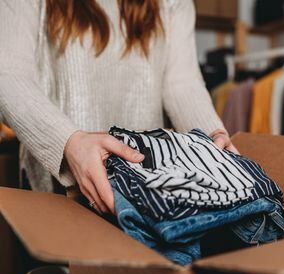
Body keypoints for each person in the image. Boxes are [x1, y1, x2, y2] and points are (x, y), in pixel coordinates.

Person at [0, 0, 237, 215]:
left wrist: (211, 136)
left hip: (145, 185)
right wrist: (69, 142)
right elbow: (8, 74)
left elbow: (181, 83)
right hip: (56, 190)